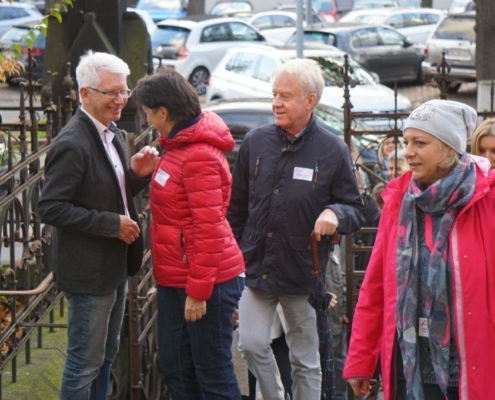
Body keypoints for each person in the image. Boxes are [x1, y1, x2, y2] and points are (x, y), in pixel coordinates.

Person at [228, 58, 364, 400]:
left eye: (285, 96)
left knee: (306, 360)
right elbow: (237, 208)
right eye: (274, 94)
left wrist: (335, 212)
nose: (276, 102)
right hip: (256, 266)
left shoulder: (332, 149)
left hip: (304, 270)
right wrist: (235, 258)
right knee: (251, 343)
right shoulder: (256, 143)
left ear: (309, 101)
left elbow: (356, 209)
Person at [344, 99, 495, 400]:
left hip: (471, 369)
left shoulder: (486, 201)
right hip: (409, 367)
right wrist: (361, 361)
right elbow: (375, 289)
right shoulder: (400, 202)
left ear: (450, 148)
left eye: (420, 143)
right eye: (406, 142)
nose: (408, 152)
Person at [38, 51, 159, 399]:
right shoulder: (72, 143)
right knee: (84, 364)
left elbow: (111, 194)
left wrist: (135, 175)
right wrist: (111, 225)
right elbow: (51, 208)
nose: (121, 100)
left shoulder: (112, 134)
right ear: (85, 93)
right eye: (112, 93)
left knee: (105, 358)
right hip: (89, 273)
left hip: (114, 265)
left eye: (124, 91)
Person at [132, 69, 246, 399]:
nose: (148, 119)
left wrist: (198, 291)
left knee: (211, 373)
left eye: (148, 112)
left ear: (163, 112)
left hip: (204, 282)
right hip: (177, 279)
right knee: (177, 368)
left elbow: (208, 229)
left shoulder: (197, 155)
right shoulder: (178, 147)